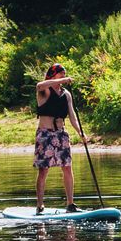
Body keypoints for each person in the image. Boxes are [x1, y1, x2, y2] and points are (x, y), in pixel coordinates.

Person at [35, 63, 87, 214]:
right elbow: (39, 85)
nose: (63, 77)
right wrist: (59, 81)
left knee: (67, 168)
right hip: (45, 134)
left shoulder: (66, 94)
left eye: (64, 74)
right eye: (60, 74)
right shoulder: (44, 90)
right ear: (53, 75)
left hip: (61, 134)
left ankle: (70, 204)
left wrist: (80, 133)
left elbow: (72, 116)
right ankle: (40, 205)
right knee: (43, 170)